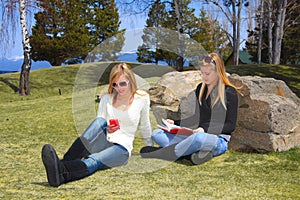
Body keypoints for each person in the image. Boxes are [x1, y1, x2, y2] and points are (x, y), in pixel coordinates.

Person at [42, 63, 153, 187]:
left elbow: (145, 124)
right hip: (103, 141)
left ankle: (63, 173)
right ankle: (67, 160)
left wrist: (150, 147)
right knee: (99, 121)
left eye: (123, 83)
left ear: (130, 80)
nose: (119, 88)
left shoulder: (142, 98)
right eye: (115, 84)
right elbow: (99, 126)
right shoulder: (106, 98)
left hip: (121, 149)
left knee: (95, 159)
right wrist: (108, 128)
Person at [140, 53, 239, 165]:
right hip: (194, 135)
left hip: (217, 139)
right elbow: (196, 118)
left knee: (199, 138)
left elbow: (230, 125)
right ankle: (191, 154)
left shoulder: (229, 92)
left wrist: (204, 129)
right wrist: (175, 123)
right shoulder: (200, 89)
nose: (204, 77)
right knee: (157, 134)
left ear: (218, 72)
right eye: (202, 73)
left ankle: (165, 153)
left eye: (207, 74)